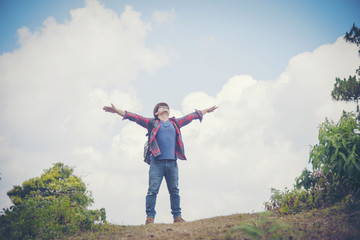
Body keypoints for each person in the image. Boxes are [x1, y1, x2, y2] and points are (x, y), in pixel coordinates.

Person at [103, 102, 217, 224]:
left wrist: (206, 110)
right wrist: (116, 111)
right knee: (152, 191)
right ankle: (150, 218)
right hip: (156, 163)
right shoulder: (152, 123)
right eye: (161, 107)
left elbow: (192, 116)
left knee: (174, 191)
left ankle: (177, 217)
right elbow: (134, 117)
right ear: (156, 113)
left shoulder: (176, 123)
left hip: (172, 163)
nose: (165, 107)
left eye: (167, 107)